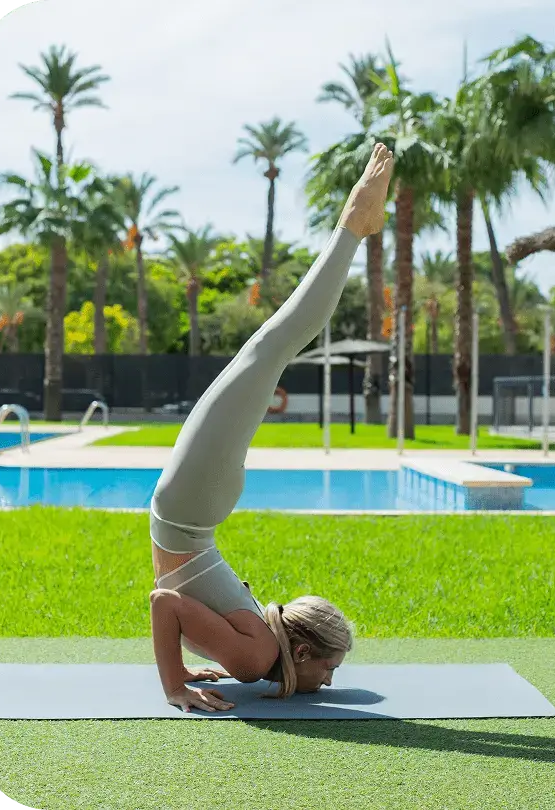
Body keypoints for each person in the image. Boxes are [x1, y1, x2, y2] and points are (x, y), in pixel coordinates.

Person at [148, 142, 394, 713]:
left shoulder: (255, 656)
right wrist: (175, 682)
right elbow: (165, 602)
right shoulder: (256, 657)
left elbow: (170, 603)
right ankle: (354, 225)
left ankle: (356, 225)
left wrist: (183, 671)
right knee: (271, 348)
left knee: (270, 350)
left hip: (193, 508)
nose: (327, 683)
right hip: (189, 509)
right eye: (329, 668)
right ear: (301, 651)